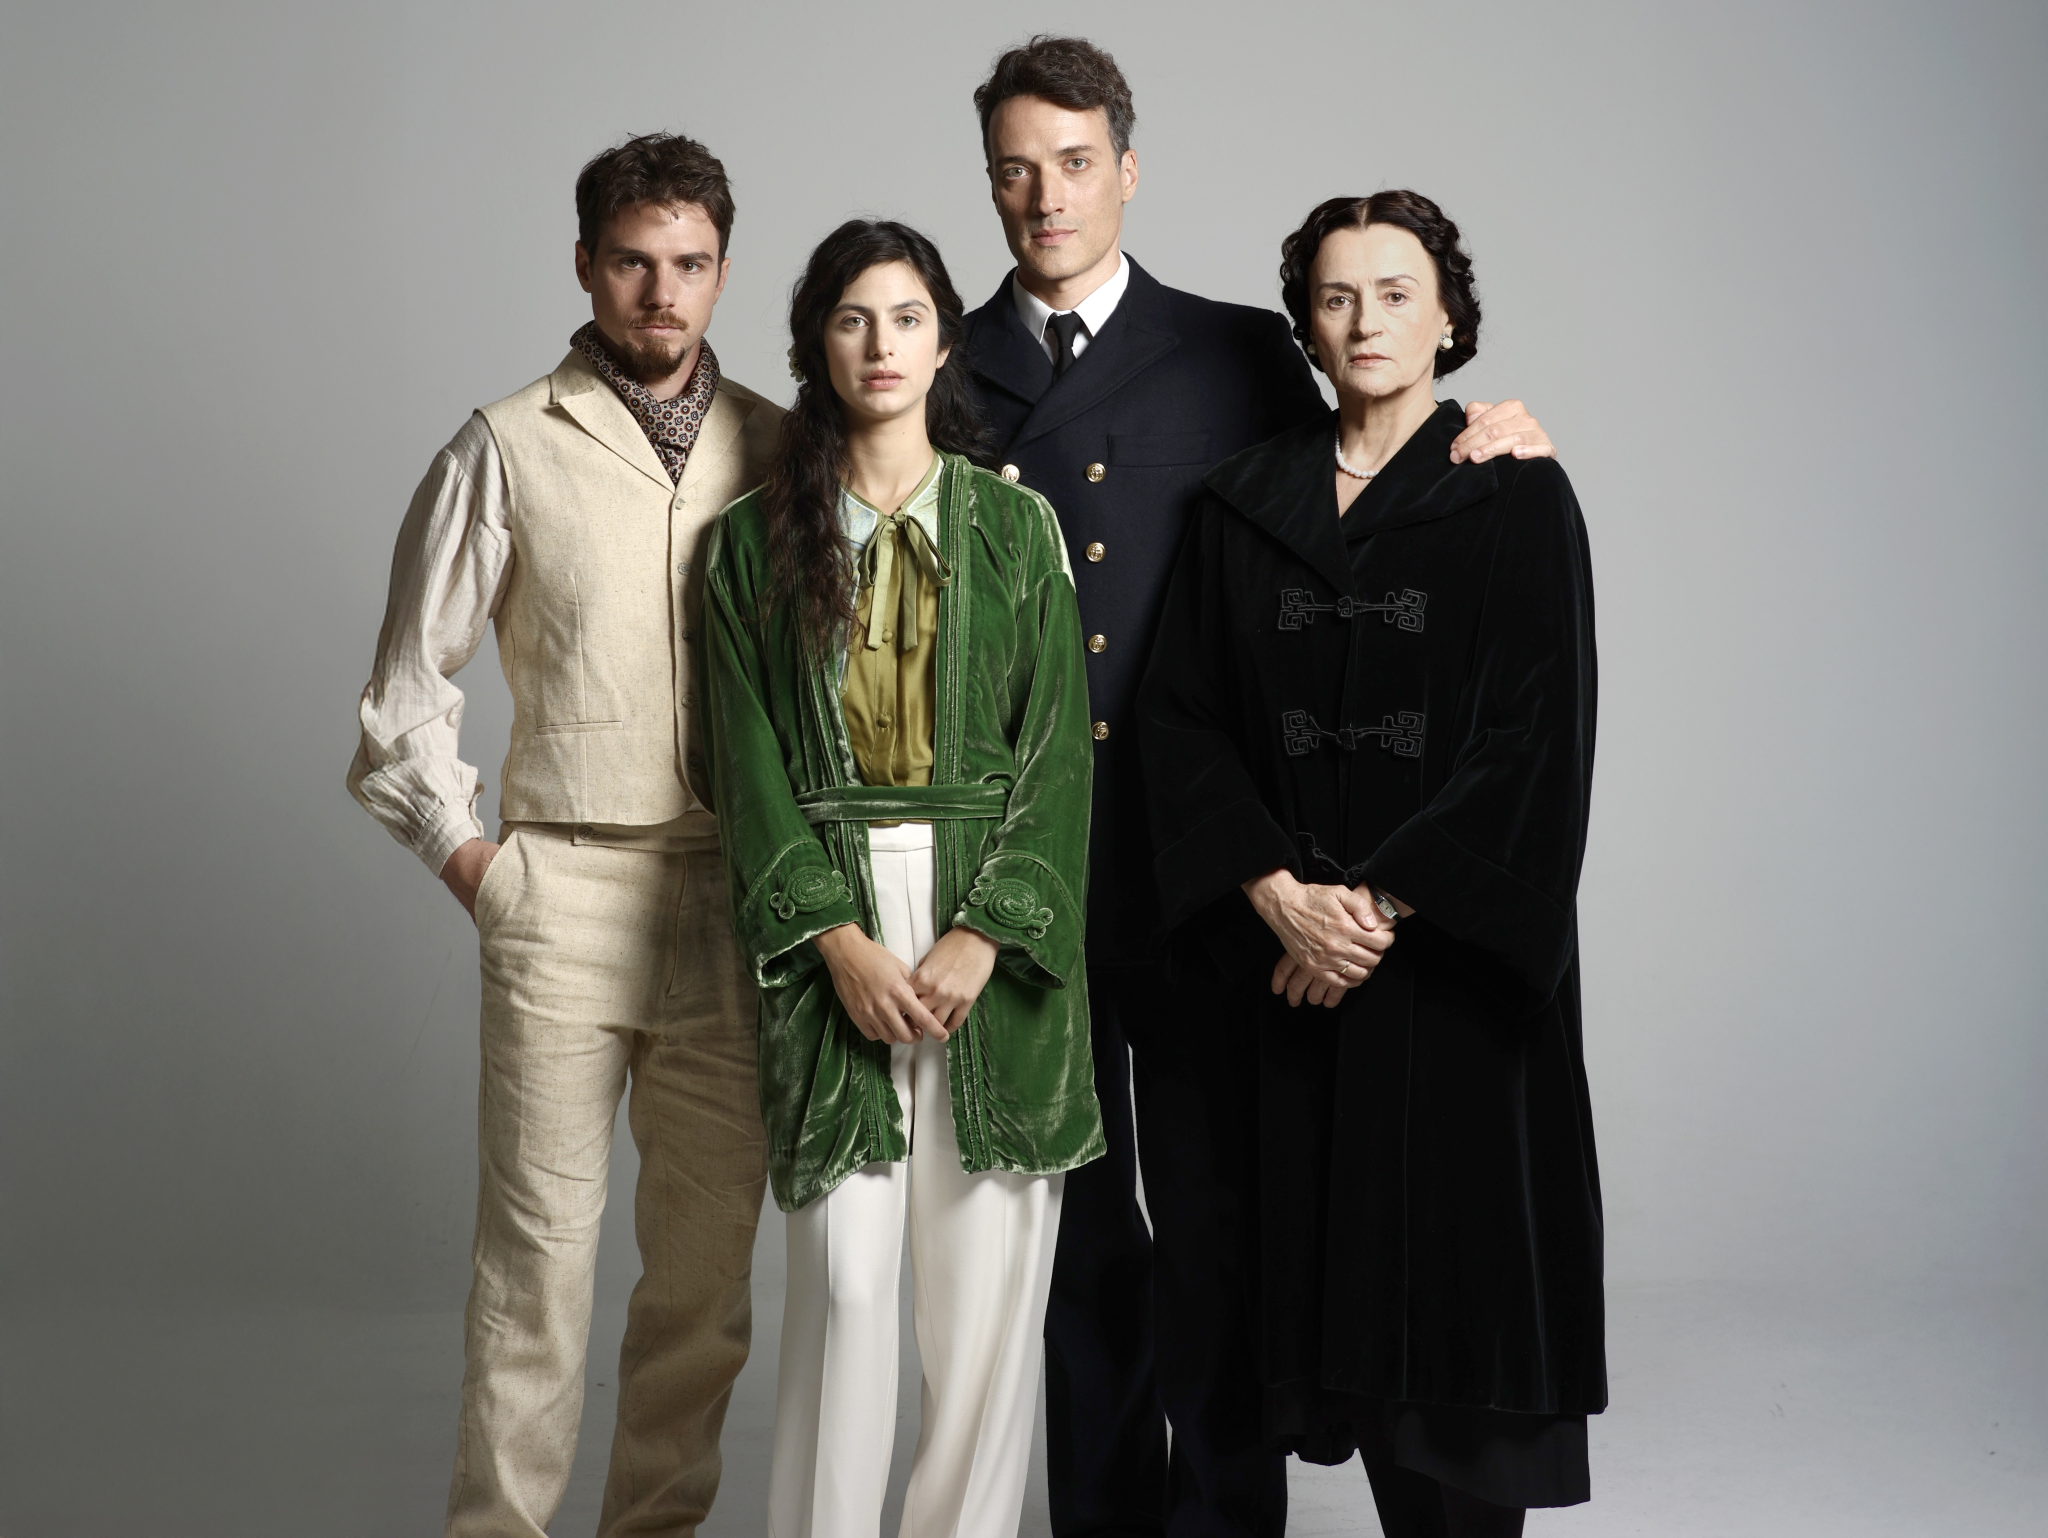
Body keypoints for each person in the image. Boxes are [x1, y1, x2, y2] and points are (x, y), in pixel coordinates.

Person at [961, 36, 1559, 1537]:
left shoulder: (1236, 351)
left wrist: (1497, 432)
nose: (1048, 196)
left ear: (1128, 168)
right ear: (991, 182)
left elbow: (1365, 491)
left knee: (1219, 1223)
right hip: (1019, 862)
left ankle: (1226, 1520)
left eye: (1076, 162)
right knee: (1070, 1231)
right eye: (1017, 169)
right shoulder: (931, 362)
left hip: (1205, 870)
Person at [1136, 190, 1604, 1538]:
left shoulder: (1516, 492)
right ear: (1307, 323)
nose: (1366, 322)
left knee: (1454, 1323)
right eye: (1337, 297)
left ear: (1449, 316)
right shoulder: (1244, 505)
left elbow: (1538, 736)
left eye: (1397, 293)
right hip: (1285, 975)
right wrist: (1277, 895)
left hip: (1451, 979)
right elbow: (1180, 718)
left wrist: (1382, 903)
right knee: (1315, 1305)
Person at [346, 133, 780, 1537]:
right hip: (561, 889)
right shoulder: (506, 442)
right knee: (535, 1273)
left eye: (691, 264)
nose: (664, 292)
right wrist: (481, 868)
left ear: (723, 270)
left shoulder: (780, 445)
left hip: (740, 900)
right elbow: (404, 697)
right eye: (634, 262)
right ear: (585, 264)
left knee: (705, 1281)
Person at [701, 220, 1101, 1538]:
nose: (882, 344)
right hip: (836, 926)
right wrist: (833, 938)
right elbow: (745, 767)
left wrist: (990, 932)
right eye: (852, 319)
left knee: (986, 1310)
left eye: (909, 317)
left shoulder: (1017, 526)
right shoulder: (749, 544)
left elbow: (1058, 756)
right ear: (816, 345)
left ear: (945, 343)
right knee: (846, 1287)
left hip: (995, 925)